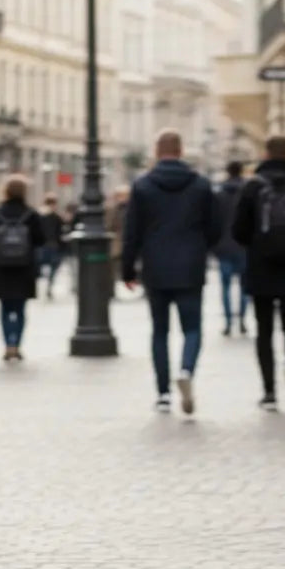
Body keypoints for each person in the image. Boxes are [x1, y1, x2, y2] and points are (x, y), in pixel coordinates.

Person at [122, 130, 221, 415]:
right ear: (181, 151)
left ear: (157, 151)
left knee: (159, 331)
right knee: (192, 327)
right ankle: (187, 370)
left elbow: (132, 232)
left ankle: (163, 393)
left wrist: (128, 268)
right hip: (190, 265)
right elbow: (216, 227)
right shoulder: (201, 185)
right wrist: (201, 247)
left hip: (155, 266)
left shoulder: (142, 186)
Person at [232, 135, 285, 411]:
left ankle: (269, 392)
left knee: (264, 330)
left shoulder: (253, 186)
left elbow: (238, 231)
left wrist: (258, 244)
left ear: (266, 153)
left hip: (262, 268)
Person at [0, 175, 45, 361]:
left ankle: (8, 345)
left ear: (5, 191)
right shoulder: (31, 214)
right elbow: (40, 240)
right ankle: (17, 344)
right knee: (20, 309)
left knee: (5, 308)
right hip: (24, 267)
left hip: (1, 267)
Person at [214, 160, 250, 337]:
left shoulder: (219, 194)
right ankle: (242, 319)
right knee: (244, 286)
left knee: (226, 287)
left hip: (223, 246)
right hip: (244, 246)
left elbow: (213, 222)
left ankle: (228, 322)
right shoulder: (249, 192)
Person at [37, 193, 66, 300]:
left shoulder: (41, 215)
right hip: (50, 245)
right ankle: (48, 286)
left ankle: (47, 286)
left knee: (47, 267)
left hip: (47, 245)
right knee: (50, 267)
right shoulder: (54, 216)